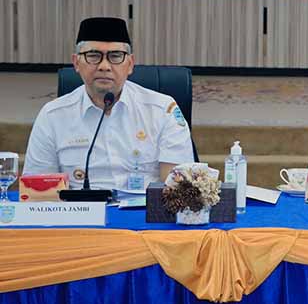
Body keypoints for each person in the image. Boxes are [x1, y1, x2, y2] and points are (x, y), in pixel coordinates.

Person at [23, 17, 194, 191]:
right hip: (79, 215)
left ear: (130, 64)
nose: (104, 66)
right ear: (76, 63)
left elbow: (178, 188)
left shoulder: (162, 110)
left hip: (143, 215)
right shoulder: (53, 116)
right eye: (93, 56)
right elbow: (38, 192)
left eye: (115, 56)